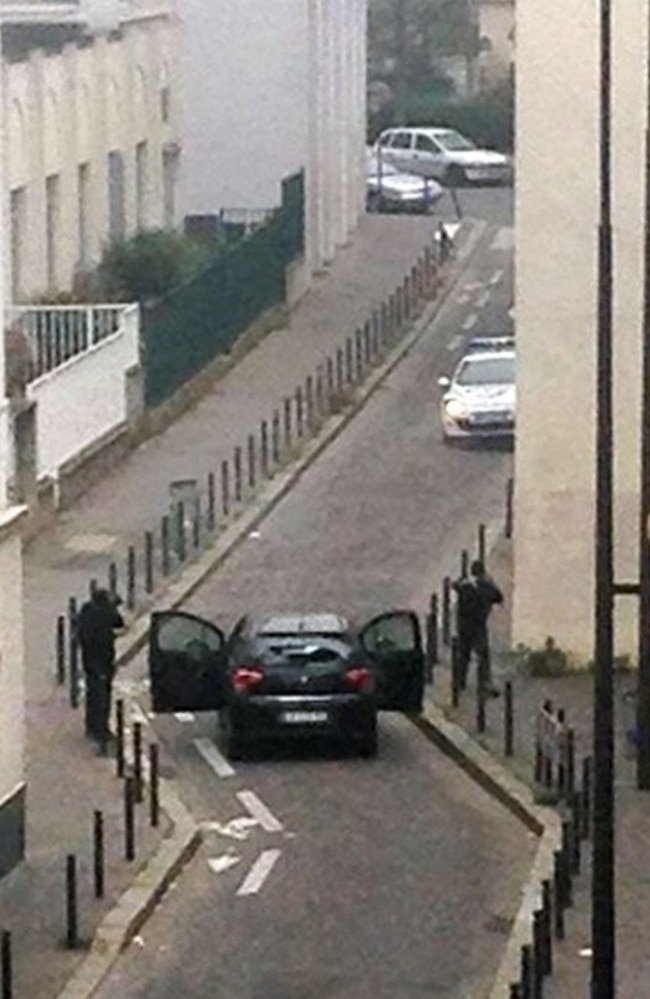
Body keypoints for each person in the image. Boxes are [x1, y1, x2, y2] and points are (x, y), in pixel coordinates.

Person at [77, 588, 125, 752]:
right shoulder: (105, 613)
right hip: (103, 661)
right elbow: (119, 622)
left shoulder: (86, 610)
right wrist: (114, 606)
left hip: (88, 660)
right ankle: (101, 731)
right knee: (103, 697)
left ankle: (91, 727)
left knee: (92, 693)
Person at [453, 559, 503, 697]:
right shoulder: (487, 587)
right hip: (479, 626)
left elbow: (455, 586)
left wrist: (464, 580)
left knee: (463, 655)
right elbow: (499, 597)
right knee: (483, 656)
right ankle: (484, 685)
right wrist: (490, 581)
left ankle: (459, 682)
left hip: (463, 625)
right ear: (483, 572)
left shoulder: (465, 586)